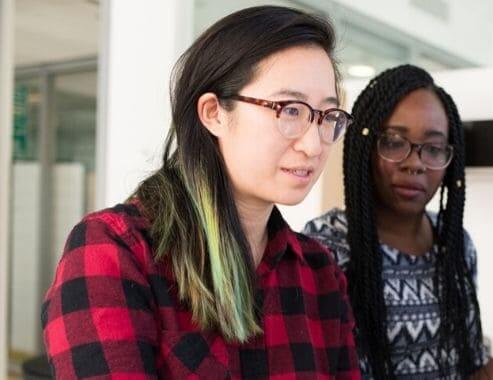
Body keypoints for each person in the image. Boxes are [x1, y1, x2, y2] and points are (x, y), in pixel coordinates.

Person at [41, 6, 359, 378]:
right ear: (213, 113)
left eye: (328, 117)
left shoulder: (319, 272)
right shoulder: (116, 250)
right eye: (290, 110)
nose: (314, 144)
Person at [304, 65, 493, 379]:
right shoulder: (325, 247)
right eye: (394, 142)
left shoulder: (455, 244)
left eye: (433, 149)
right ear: (365, 146)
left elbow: (470, 367)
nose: (415, 164)